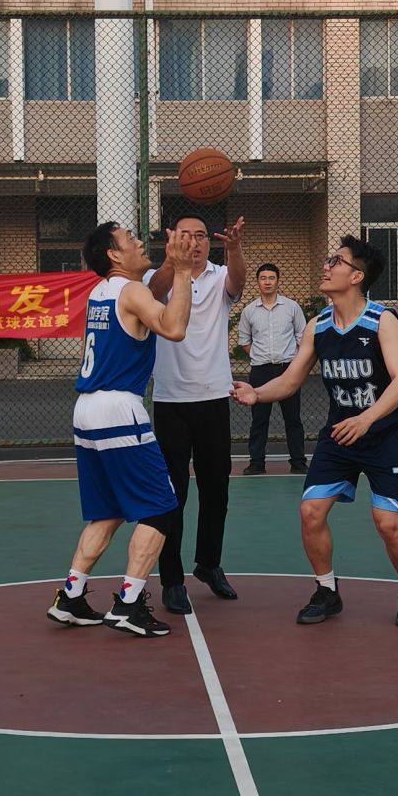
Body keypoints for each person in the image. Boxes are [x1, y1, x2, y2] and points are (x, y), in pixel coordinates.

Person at [235, 235, 398, 627]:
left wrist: (366, 419)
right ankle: (326, 590)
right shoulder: (318, 325)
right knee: (311, 511)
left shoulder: (382, 321)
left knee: (388, 524)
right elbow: (291, 380)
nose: (326, 266)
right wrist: (257, 393)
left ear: (357, 276)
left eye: (336, 261)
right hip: (340, 436)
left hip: (386, 436)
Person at [48, 221, 193, 640]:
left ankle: (70, 596)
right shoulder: (131, 292)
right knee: (161, 508)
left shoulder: (101, 292)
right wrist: (184, 271)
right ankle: (128, 604)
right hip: (118, 409)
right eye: (130, 239)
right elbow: (173, 328)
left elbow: (150, 291)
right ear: (114, 254)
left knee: (107, 512)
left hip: (87, 410)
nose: (139, 241)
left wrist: (171, 264)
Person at [148, 213, 248, 614]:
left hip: (213, 398)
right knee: (172, 495)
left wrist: (235, 249)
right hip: (171, 401)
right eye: (186, 235)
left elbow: (238, 282)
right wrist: (173, 264)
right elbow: (154, 292)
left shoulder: (220, 277)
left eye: (202, 236)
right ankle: (171, 580)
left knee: (216, 490)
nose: (195, 242)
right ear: (173, 240)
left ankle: (208, 563)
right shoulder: (157, 279)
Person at [236, 261, 308, 475]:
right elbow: (245, 341)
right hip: (261, 371)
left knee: (293, 418)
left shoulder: (292, 307)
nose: (267, 282)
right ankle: (256, 463)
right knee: (259, 419)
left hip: (288, 370)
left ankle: (298, 462)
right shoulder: (249, 311)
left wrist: (294, 362)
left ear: (278, 281)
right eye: (263, 278)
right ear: (258, 282)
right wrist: (260, 357)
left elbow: (302, 337)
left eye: (271, 278)